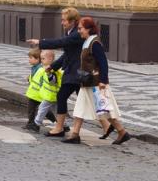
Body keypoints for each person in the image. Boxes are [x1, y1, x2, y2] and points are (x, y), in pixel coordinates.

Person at [27, 7, 108, 137]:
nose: (62, 23)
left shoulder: (77, 33)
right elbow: (67, 54)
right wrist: (52, 66)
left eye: (64, 20)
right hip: (74, 72)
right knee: (87, 100)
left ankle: (62, 128)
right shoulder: (71, 32)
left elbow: (62, 42)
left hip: (77, 73)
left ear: (72, 21)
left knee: (67, 97)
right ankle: (110, 128)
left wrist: (41, 42)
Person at [62, 17, 131, 145]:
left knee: (104, 110)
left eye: (80, 28)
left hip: (96, 83)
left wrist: (103, 81)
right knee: (80, 108)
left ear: (88, 29)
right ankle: (75, 134)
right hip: (87, 82)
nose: (79, 31)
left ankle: (122, 132)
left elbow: (103, 63)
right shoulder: (87, 41)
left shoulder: (95, 43)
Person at [23, 48, 56, 132]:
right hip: (37, 93)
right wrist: (29, 78)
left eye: (31, 58)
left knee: (32, 110)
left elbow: (43, 81)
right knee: (45, 110)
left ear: (37, 59)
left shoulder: (41, 69)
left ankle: (32, 124)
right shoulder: (35, 68)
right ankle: (58, 122)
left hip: (37, 93)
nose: (29, 60)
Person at [33, 50, 62, 129]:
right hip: (53, 95)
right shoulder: (46, 68)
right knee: (56, 112)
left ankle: (36, 123)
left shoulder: (52, 70)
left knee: (42, 109)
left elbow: (53, 82)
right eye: (41, 58)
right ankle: (64, 125)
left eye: (43, 59)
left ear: (51, 59)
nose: (41, 60)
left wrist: (49, 73)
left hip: (50, 96)